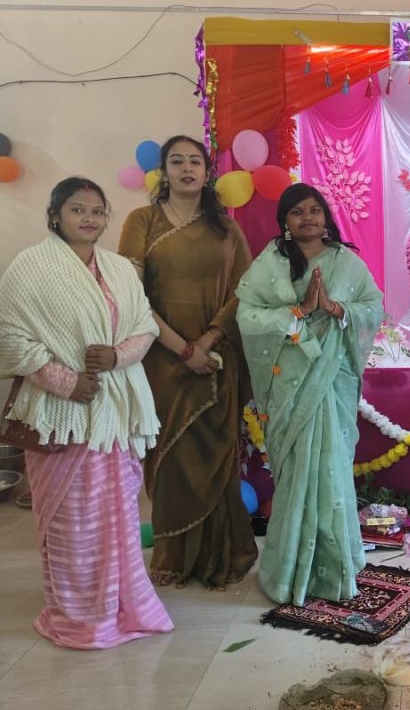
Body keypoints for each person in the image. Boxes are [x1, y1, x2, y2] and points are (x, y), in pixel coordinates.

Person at [0, 177, 173, 648]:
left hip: (115, 413)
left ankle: (123, 606)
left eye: (98, 210)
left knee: (118, 519)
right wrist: (66, 381)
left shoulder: (118, 269)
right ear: (56, 215)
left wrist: (117, 357)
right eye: (78, 209)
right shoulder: (29, 266)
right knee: (71, 525)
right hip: (61, 414)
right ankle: (80, 618)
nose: (90, 218)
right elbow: (9, 337)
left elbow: (144, 326)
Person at [118, 135, 257, 590]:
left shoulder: (226, 228)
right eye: (176, 162)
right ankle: (174, 556)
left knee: (215, 455)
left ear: (207, 172)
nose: (186, 169)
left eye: (194, 161)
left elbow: (245, 290)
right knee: (170, 457)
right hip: (161, 359)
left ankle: (221, 554)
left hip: (216, 358)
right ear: (164, 172)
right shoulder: (142, 221)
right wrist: (182, 349)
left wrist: (209, 340)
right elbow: (130, 294)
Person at [236, 184, 383, 605]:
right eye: (297, 212)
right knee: (297, 469)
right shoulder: (270, 262)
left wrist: (335, 308)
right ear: (285, 220)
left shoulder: (346, 263)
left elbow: (374, 307)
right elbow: (247, 315)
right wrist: (297, 312)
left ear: (326, 216)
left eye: (314, 210)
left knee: (331, 467)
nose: (307, 218)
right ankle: (289, 570)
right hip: (289, 381)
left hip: (330, 380)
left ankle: (336, 564)